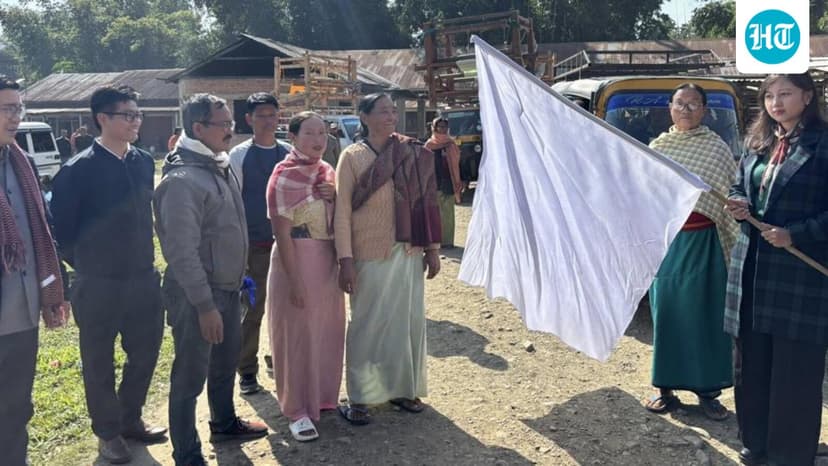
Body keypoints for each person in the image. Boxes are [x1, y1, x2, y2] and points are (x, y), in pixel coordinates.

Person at [51, 86, 166, 464]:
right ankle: (107, 432)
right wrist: (90, 266)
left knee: (146, 352)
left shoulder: (142, 162)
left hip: (143, 278)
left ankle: (130, 418)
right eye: (127, 115)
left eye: (138, 115)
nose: (136, 122)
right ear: (102, 118)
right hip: (98, 283)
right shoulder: (77, 170)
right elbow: (62, 233)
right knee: (98, 361)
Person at [154, 94, 267, 466]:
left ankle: (224, 423)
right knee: (190, 376)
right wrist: (204, 306)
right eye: (223, 124)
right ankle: (187, 453)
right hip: (197, 296)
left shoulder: (218, 164)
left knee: (224, 363)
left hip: (228, 288)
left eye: (231, 123)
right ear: (198, 128)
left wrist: (240, 275)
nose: (231, 131)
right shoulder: (182, 181)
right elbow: (182, 252)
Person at [724, 73, 828, 466]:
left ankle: (790, 454)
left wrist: (795, 234)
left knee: (794, 369)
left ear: (807, 96)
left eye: (785, 94)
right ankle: (756, 443)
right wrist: (738, 204)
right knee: (751, 363)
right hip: (752, 269)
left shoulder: (823, 144)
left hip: (799, 275)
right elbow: (739, 186)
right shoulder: (757, 142)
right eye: (769, 95)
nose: (776, 103)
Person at [334, 93, 442, 424]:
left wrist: (432, 249)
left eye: (393, 111)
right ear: (364, 117)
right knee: (367, 325)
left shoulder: (412, 151)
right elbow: (342, 212)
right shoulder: (352, 157)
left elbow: (427, 200)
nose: (391, 116)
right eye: (383, 111)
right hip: (369, 253)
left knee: (405, 323)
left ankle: (402, 390)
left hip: (408, 252)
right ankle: (361, 396)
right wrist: (345, 260)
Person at [642, 83, 738, 421]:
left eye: (693, 104)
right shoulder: (657, 149)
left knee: (705, 316)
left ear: (704, 110)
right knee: (666, 314)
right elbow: (644, 195)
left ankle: (708, 392)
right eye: (680, 103)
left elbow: (729, 194)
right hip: (667, 244)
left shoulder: (716, 149)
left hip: (704, 243)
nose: (685, 109)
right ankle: (665, 388)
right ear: (670, 107)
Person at [0, 76, 67, 466]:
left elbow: (42, 231)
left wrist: (56, 288)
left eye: (18, 108)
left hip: (21, 315)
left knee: (16, 408)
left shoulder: (20, 163)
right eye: (7, 109)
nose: (15, 117)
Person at [266, 111, 344, 441]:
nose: (317, 140)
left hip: (326, 263)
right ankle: (296, 408)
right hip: (296, 261)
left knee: (327, 331)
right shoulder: (283, 176)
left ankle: (323, 398)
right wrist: (294, 281)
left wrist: (334, 197)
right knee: (296, 336)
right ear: (293, 137)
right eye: (309, 133)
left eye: (322, 133)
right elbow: (282, 234)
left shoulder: (328, 173)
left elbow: (340, 220)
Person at [228, 92, 290, 395]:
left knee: (287, 307)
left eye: (272, 114)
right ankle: (247, 370)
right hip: (253, 246)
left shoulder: (289, 153)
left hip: (288, 245)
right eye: (261, 115)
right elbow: (233, 201)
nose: (268, 120)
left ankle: (279, 358)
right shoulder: (238, 156)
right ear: (248, 119)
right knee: (252, 309)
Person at [425, 117, 463, 248]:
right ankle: (435, 241)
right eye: (440, 126)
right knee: (434, 213)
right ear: (434, 128)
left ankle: (447, 242)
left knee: (448, 214)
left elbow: (457, 164)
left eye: (445, 127)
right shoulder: (429, 145)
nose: (443, 129)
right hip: (433, 183)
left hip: (448, 182)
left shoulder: (451, 145)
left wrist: (460, 180)